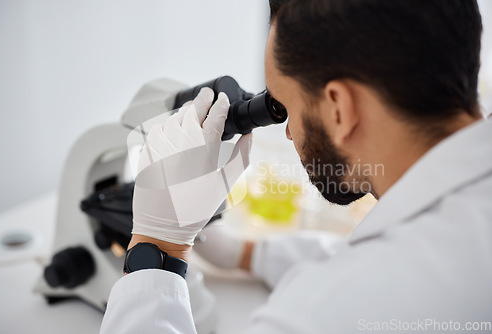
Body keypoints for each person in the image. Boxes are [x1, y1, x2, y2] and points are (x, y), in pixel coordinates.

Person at [100, 0, 492, 333]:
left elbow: (358, 286)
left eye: (289, 107)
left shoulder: (322, 315)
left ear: (339, 107)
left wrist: (158, 245)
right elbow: (364, 255)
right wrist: (246, 253)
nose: (289, 133)